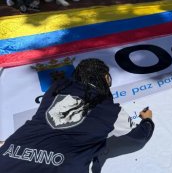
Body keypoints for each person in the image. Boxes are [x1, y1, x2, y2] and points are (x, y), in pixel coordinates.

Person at [0, 58, 154, 172]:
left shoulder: (56, 89)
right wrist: (147, 121)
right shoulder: (111, 111)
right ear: (106, 79)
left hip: (10, 153)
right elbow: (137, 137)